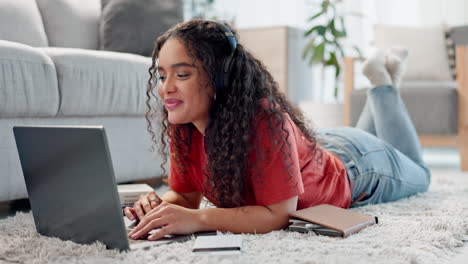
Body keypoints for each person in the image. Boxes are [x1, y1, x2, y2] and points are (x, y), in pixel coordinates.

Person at [124, 19, 431, 241]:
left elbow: (278, 214)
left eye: (182, 74)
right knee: (380, 146)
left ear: (220, 79)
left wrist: (197, 219)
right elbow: (185, 196)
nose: (167, 88)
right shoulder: (185, 120)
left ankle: (382, 85)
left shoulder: (264, 119)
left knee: (421, 172)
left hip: (357, 167)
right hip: (314, 151)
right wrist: (159, 207)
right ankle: (382, 82)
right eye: (162, 76)